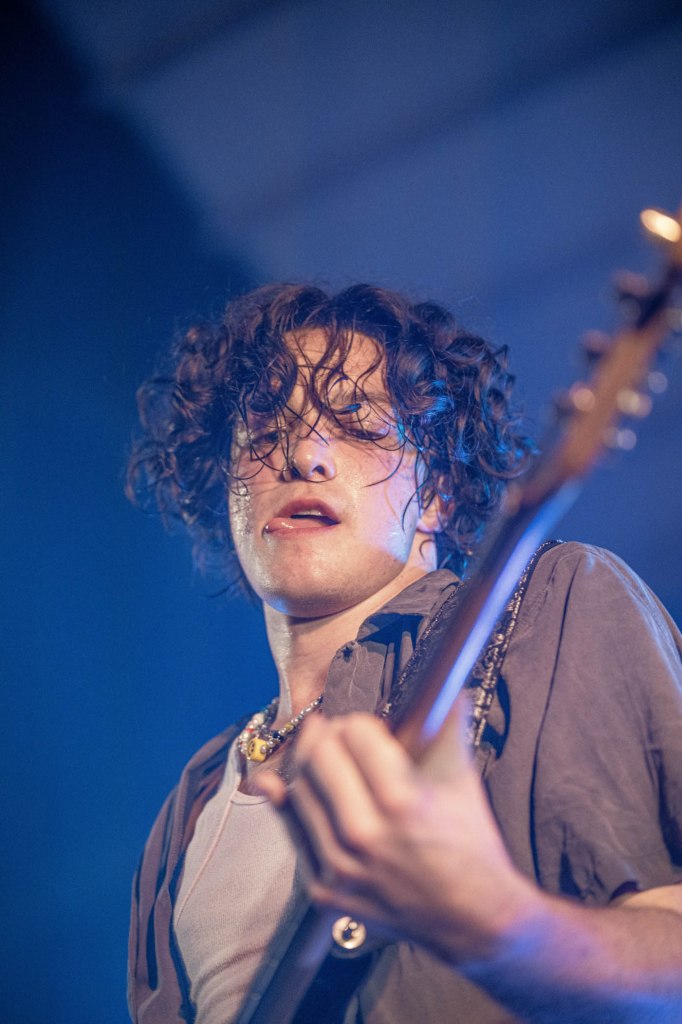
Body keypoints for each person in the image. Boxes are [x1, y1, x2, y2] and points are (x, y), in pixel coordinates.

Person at [126, 283, 682, 1023]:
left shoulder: (551, 605)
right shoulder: (190, 805)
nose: (302, 454)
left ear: (438, 495)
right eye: (262, 430)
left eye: (357, 424)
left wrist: (491, 922)